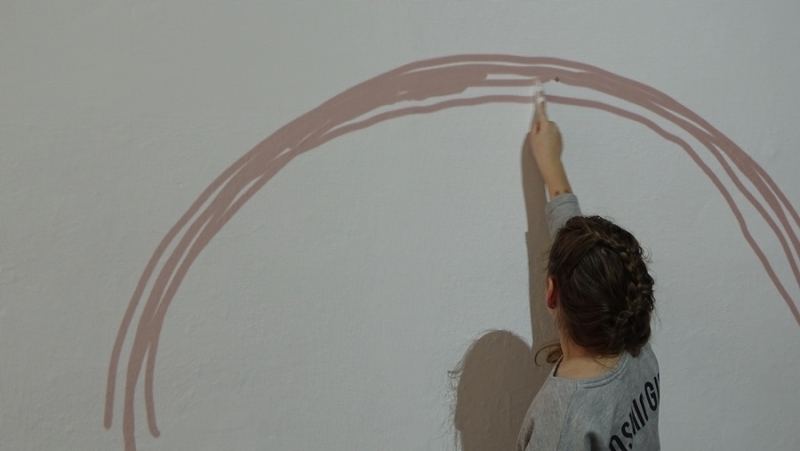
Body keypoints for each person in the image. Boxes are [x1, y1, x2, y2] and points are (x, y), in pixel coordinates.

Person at [517, 97, 661, 451]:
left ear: (552, 293)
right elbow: (581, 254)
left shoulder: (562, 425)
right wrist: (552, 167)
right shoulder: (634, 346)